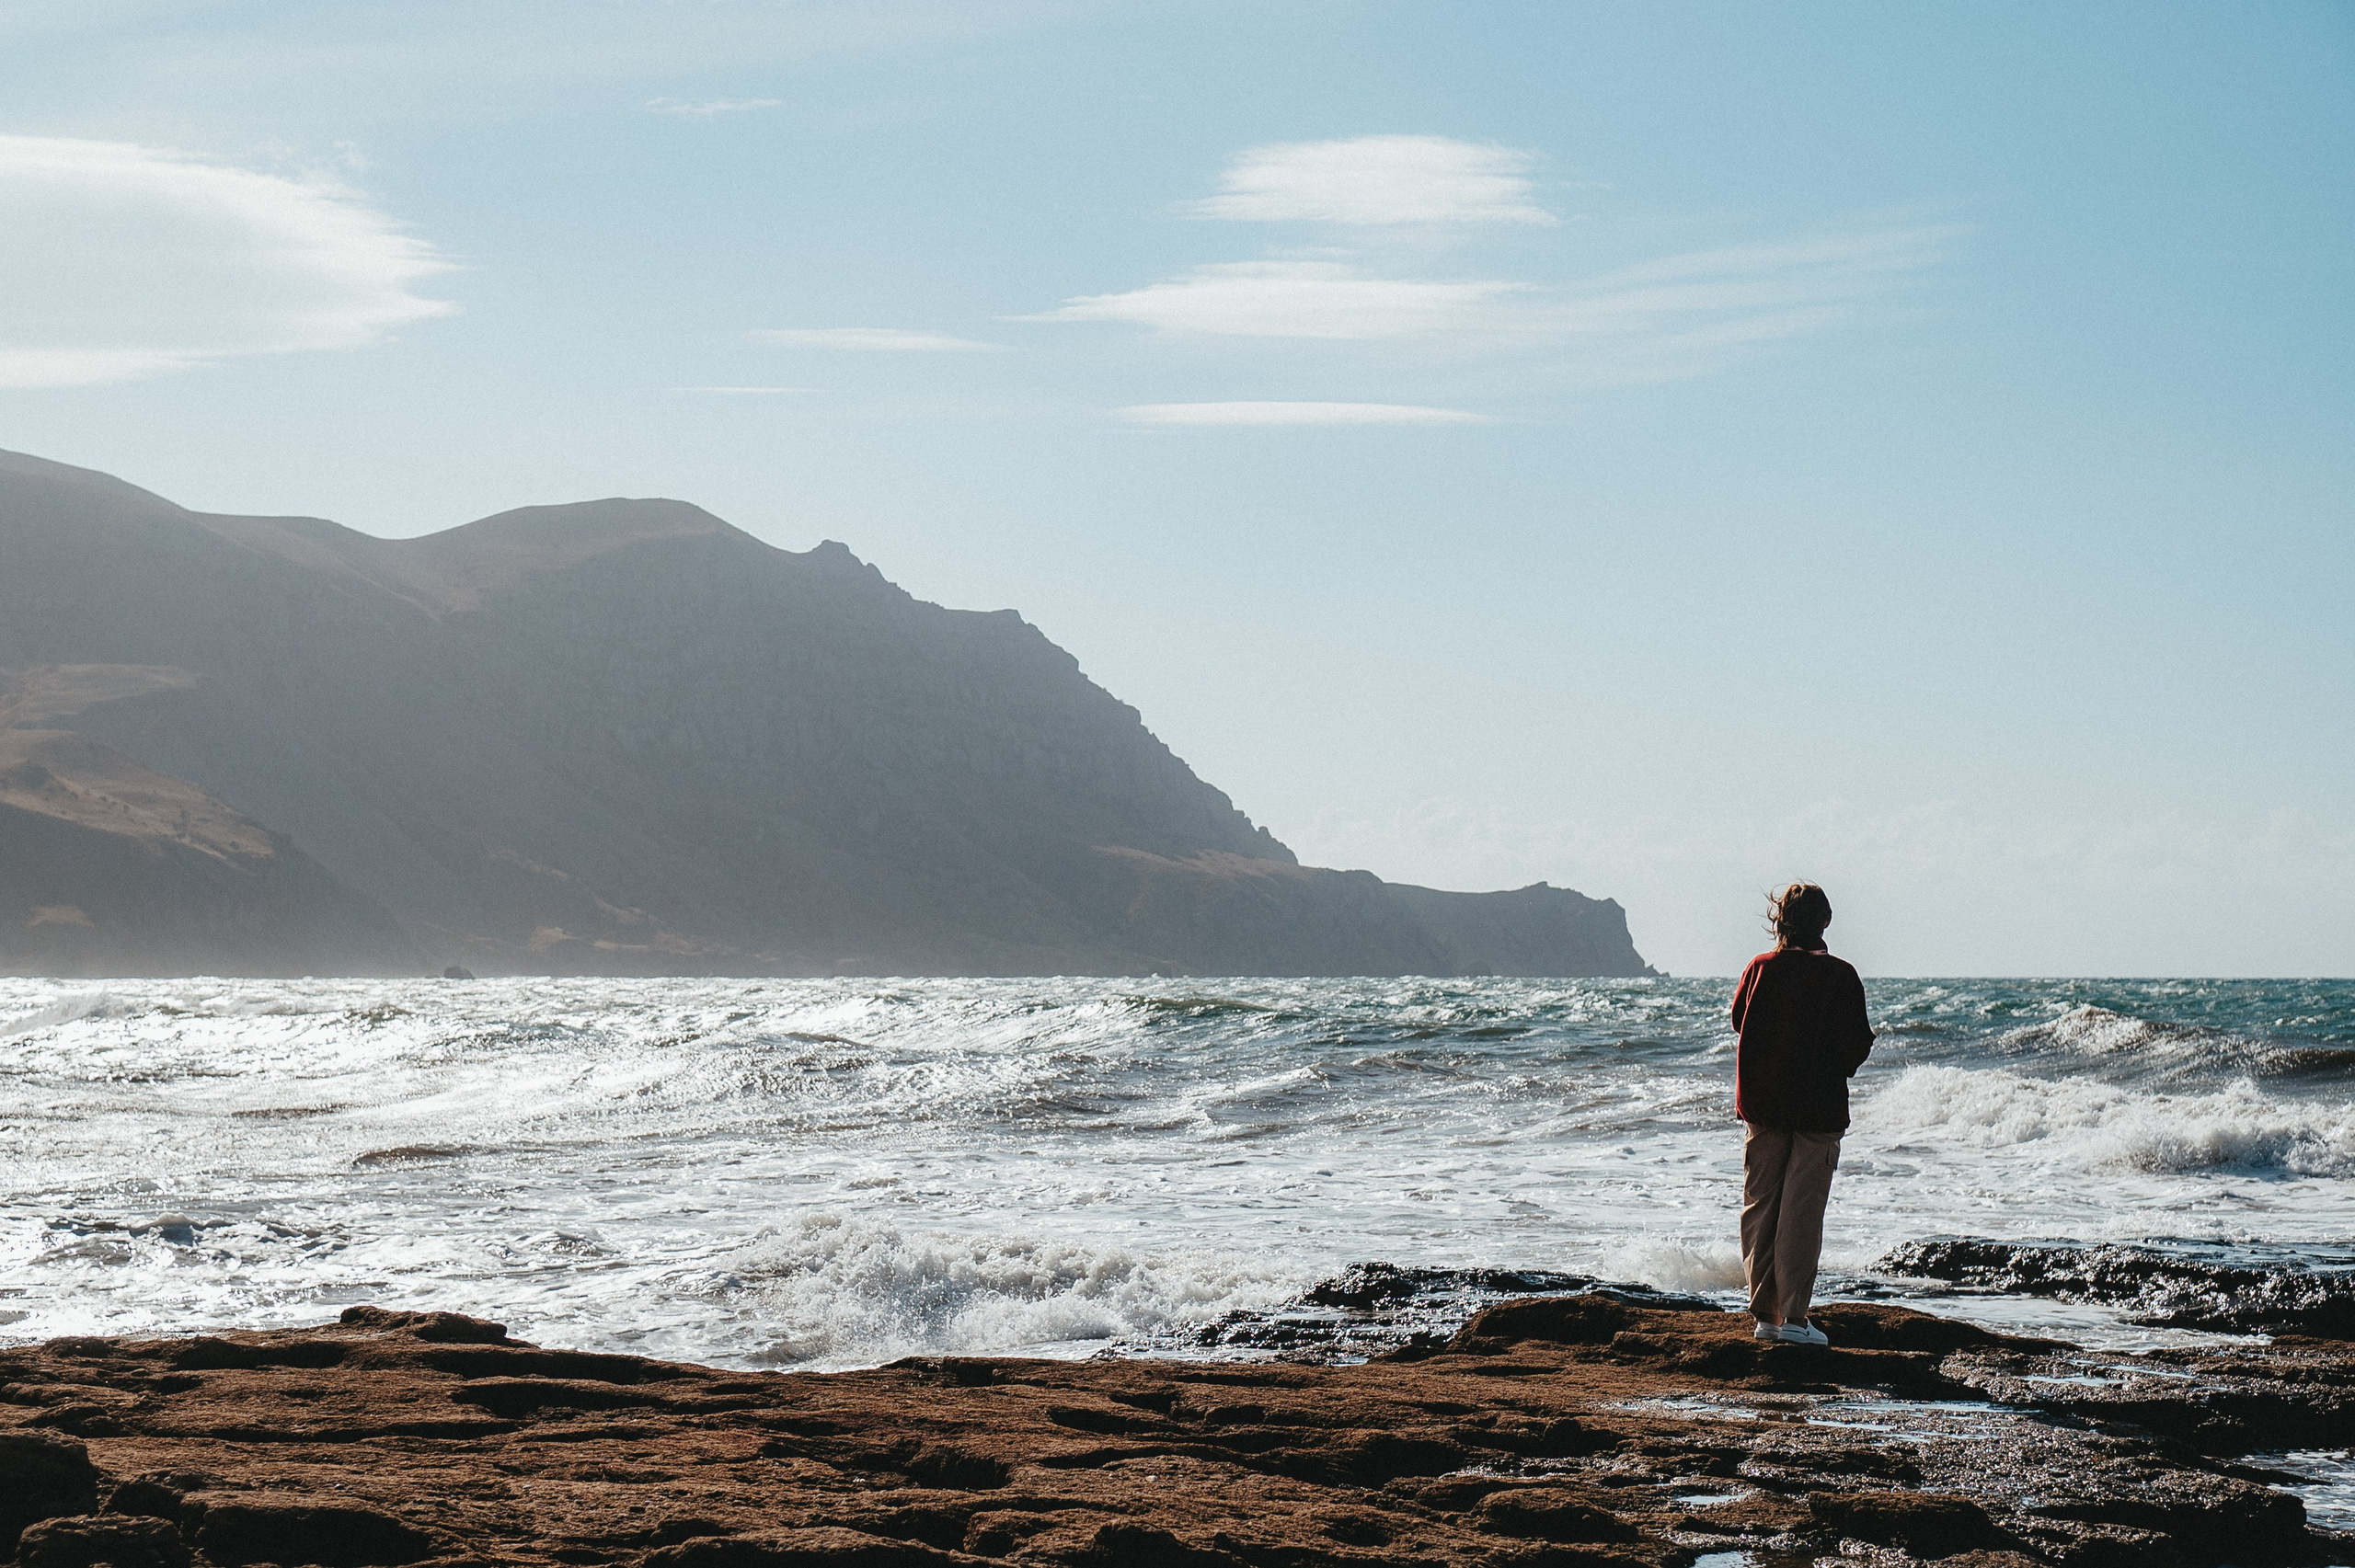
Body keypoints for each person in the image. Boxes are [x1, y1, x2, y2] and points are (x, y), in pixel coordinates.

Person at [1729, 883, 1875, 1345]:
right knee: (1802, 1210)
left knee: (1761, 1206)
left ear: (1780, 920)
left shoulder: (1759, 968)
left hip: (1764, 1103)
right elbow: (1855, 1045)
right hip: (1818, 1106)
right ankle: (1794, 1319)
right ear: (1825, 922)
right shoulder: (1841, 975)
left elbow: (1739, 1020)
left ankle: (1766, 1316)